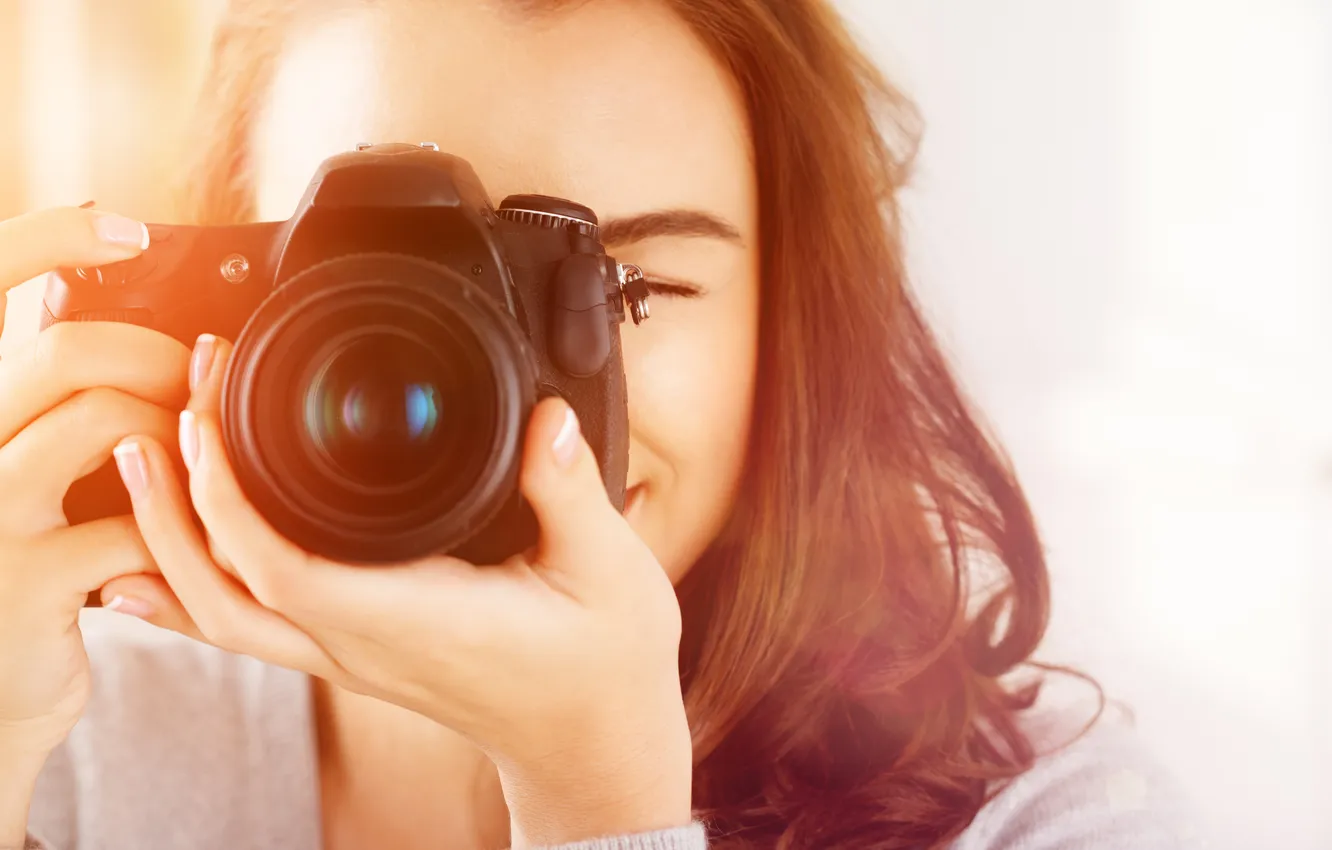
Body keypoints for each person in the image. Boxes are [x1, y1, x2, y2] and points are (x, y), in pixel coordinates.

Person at [0, 1, 1201, 848]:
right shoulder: (64, 727)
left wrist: (603, 803)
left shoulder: (1042, 818)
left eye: (630, 287)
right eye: (380, 283)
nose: (501, 393)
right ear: (222, 304)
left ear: (794, 324)